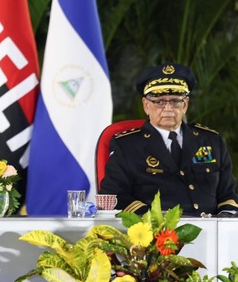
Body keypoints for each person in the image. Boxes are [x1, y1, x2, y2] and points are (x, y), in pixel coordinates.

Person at [100, 62, 238, 217]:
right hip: (154, 229)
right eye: (159, 102)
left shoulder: (211, 141)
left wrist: (225, 220)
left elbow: (228, 195)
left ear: (185, 105)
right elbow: (114, 195)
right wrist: (153, 220)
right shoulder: (126, 145)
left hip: (211, 227)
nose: (168, 108)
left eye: (175, 101)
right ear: (146, 106)